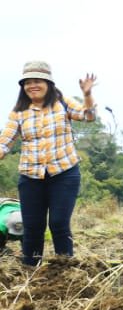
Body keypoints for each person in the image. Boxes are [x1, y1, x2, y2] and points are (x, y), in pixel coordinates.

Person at [0, 61, 96, 265]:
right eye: (27, 83)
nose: (32, 86)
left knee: (59, 222)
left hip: (64, 173)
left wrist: (87, 95)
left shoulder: (62, 103)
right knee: (33, 226)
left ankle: (66, 269)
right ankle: (31, 270)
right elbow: (5, 142)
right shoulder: (18, 112)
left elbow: (88, 116)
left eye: (37, 81)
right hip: (31, 176)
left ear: (48, 83)